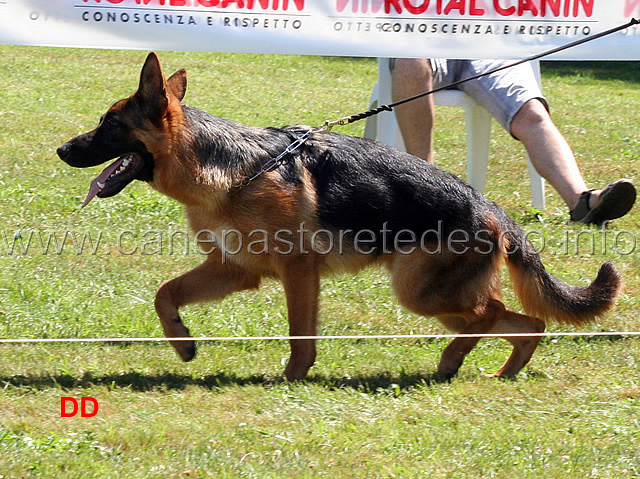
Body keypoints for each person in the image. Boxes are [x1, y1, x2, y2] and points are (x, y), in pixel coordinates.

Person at [390, 58, 636, 226]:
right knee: (410, 62)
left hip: (494, 43)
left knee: (532, 113)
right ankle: (425, 194)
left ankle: (582, 202)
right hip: (425, 37)